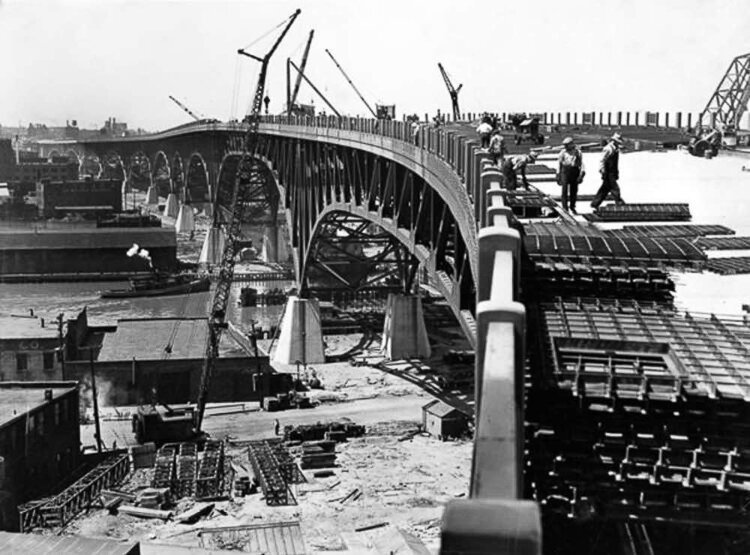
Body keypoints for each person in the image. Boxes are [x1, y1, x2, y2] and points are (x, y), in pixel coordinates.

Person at [591, 133, 625, 211]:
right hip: (608, 171)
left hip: (613, 171)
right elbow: (602, 160)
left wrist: (616, 172)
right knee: (615, 188)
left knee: (605, 189)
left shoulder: (615, 148)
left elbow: (615, 162)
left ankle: (595, 203)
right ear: (614, 141)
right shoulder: (608, 148)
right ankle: (618, 202)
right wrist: (602, 170)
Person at [557, 137, 585, 213]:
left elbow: (581, 163)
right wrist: (558, 174)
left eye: (567, 145)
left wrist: (582, 174)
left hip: (574, 171)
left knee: (574, 190)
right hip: (565, 171)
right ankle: (565, 207)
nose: (565, 147)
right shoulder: (563, 152)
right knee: (564, 189)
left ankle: (572, 206)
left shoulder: (577, 152)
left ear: (571, 144)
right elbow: (559, 163)